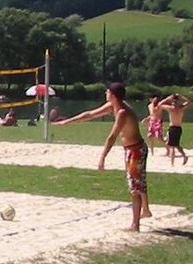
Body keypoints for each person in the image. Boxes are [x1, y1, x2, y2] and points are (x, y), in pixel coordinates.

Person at [54, 82, 152, 232]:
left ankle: (135, 225)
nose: (105, 93)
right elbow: (89, 114)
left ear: (112, 95)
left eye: (107, 92)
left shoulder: (122, 112)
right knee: (137, 183)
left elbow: (112, 137)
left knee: (135, 188)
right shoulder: (114, 106)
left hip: (136, 150)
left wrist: (102, 158)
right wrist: (67, 121)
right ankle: (145, 210)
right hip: (131, 149)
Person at [159, 93, 191, 165]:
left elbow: (160, 104)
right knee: (176, 145)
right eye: (173, 102)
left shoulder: (175, 108)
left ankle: (172, 163)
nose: (174, 103)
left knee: (172, 146)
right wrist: (181, 97)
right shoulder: (179, 108)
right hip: (177, 128)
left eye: (175, 102)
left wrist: (167, 98)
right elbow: (189, 102)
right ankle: (184, 156)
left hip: (174, 128)